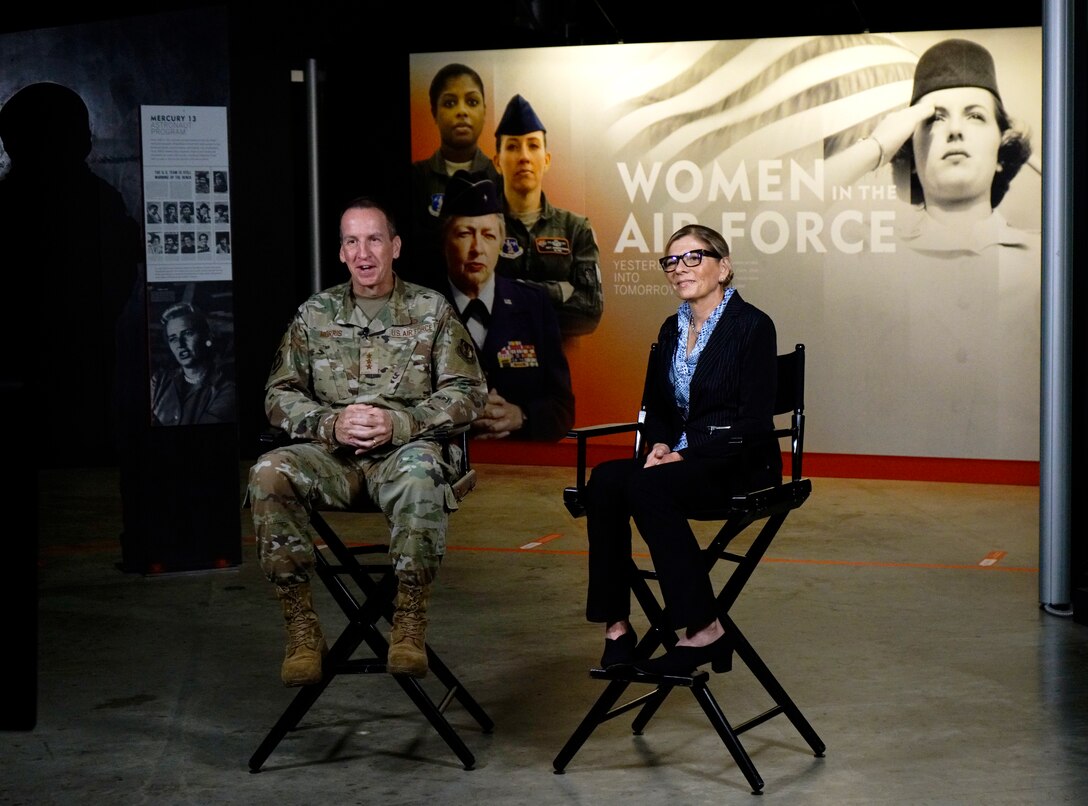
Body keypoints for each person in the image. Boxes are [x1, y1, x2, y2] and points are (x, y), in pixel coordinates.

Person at [247, 196, 487, 687]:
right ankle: (302, 628)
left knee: (422, 473)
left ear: (394, 246)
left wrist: (400, 424)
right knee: (268, 472)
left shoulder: (429, 310)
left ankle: (408, 621)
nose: (364, 252)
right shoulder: (315, 314)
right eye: (352, 241)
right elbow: (278, 395)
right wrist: (327, 424)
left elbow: (469, 394)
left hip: (403, 456)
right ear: (340, 252)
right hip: (330, 459)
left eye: (374, 239)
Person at [583, 224, 780, 676]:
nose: (680, 268)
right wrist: (660, 443)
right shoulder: (671, 328)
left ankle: (705, 628)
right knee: (607, 480)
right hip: (680, 462)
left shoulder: (753, 327)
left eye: (694, 257)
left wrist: (685, 457)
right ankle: (616, 626)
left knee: (650, 488)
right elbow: (660, 411)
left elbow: (752, 426)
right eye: (672, 261)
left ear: (723, 267)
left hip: (736, 463)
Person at [823, 37, 1035, 254]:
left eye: (975, 116)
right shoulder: (870, 250)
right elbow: (786, 220)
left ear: (1001, 150)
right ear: (913, 156)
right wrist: (877, 145)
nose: (955, 129)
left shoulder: (1042, 256)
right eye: (935, 118)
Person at [440, 170, 574, 441]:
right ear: (445, 240)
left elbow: (563, 409)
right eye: (465, 234)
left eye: (488, 235)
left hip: (520, 469)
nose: (477, 248)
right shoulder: (421, 306)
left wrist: (522, 415)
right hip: (441, 468)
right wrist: (458, 417)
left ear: (502, 241)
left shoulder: (534, 305)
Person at [492, 94, 603, 343]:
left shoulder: (575, 229)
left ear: (547, 159)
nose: (524, 156)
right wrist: (558, 290)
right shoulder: (482, 229)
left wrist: (510, 296)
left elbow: (589, 312)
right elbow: (474, 303)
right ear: (497, 162)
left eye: (533, 145)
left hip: (556, 372)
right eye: (512, 146)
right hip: (492, 371)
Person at [408, 62, 501, 292]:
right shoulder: (414, 178)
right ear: (434, 112)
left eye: (472, 102)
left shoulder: (499, 180)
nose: (462, 111)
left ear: (484, 110)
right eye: (450, 103)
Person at [150, 301, 237, 426]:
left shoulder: (226, 390)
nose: (180, 344)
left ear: (206, 335)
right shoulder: (159, 381)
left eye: (188, 334)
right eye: (173, 339)